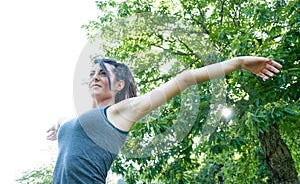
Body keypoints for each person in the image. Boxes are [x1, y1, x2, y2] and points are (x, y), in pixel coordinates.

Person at [47, 56, 282, 183]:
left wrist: (238, 63)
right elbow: (63, 120)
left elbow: (184, 80)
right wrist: (59, 128)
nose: (95, 77)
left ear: (119, 85)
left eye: (103, 73)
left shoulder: (121, 112)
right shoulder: (73, 120)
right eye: (92, 74)